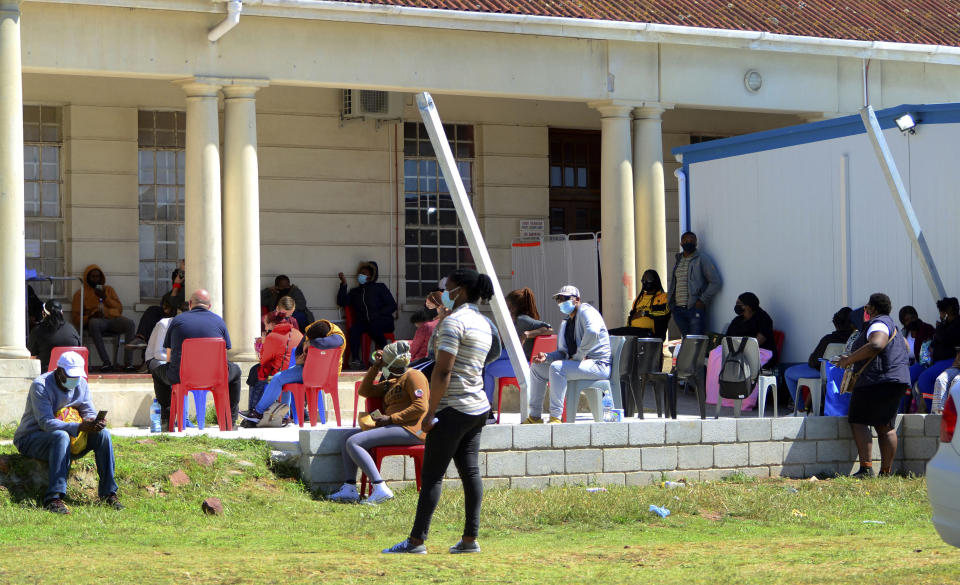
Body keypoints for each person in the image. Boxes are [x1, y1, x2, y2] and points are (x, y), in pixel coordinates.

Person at [383, 269, 494, 555]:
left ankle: (416, 541)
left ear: (461, 291)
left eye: (449, 288)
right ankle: (470, 539)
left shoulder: (453, 323)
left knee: (432, 476)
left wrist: (430, 414)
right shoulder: (482, 322)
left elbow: (442, 370)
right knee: (470, 472)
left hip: (451, 407)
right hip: (477, 406)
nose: (444, 291)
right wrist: (444, 313)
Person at [13, 351, 121, 514]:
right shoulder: (41, 385)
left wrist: (93, 422)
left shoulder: (81, 384)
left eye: (77, 376)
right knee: (60, 435)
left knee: (103, 435)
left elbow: (88, 411)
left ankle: (109, 493)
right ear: (59, 371)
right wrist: (78, 427)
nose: (74, 380)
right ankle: (53, 498)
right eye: (71, 376)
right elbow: (46, 423)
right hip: (32, 438)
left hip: (69, 440)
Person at [329, 341, 429, 505]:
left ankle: (380, 487)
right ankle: (350, 488)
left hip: (411, 429)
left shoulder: (413, 376)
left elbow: (420, 406)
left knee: (355, 442)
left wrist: (390, 419)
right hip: (395, 427)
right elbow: (364, 391)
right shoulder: (391, 381)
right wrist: (375, 367)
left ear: (391, 363)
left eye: (384, 362)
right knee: (346, 437)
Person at [834, 293, 911, 477]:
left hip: (876, 380)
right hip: (896, 380)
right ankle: (885, 472)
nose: (865, 310)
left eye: (868, 306)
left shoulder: (877, 324)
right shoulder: (894, 327)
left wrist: (849, 359)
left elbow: (876, 344)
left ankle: (866, 468)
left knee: (859, 421)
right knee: (886, 426)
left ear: (874, 309)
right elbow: (907, 350)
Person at [151, 289, 243, 427]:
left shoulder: (177, 321)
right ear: (209, 306)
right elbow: (223, 355)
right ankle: (230, 419)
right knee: (236, 371)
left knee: (158, 372)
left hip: (181, 376)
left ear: (190, 304)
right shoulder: (219, 321)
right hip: (215, 376)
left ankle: (166, 418)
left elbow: (169, 356)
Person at [524, 285, 610, 424]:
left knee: (557, 368)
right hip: (579, 364)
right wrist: (547, 357)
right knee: (537, 368)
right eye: (558, 299)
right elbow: (563, 353)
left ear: (577, 299)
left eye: (564, 298)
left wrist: (579, 355)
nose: (561, 302)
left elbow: (593, 332)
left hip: (598, 365)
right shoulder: (567, 322)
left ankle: (555, 417)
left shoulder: (586, 311)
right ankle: (534, 417)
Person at [239, 319, 345, 427]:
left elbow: (324, 342)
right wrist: (299, 358)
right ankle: (284, 417)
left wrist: (310, 343)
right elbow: (298, 350)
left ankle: (258, 413)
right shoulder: (311, 330)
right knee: (282, 379)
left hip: (323, 374)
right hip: (308, 369)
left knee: (278, 378)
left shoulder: (337, 335)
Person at [481, 288, 553, 406]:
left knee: (488, 369)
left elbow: (548, 329)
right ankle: (485, 406)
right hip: (516, 358)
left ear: (513, 307)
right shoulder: (513, 321)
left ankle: (487, 408)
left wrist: (528, 334)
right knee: (487, 361)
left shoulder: (522, 320)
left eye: (507, 304)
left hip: (525, 364)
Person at [783, 307, 857, 412]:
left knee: (788, 373)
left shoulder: (828, 339)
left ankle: (800, 409)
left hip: (826, 373)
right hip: (850, 374)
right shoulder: (858, 339)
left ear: (836, 324)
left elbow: (813, 362)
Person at [72, 264, 137, 372]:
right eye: (92, 277)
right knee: (94, 323)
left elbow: (119, 309)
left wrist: (105, 297)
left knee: (129, 323)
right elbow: (76, 318)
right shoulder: (80, 294)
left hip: (112, 319)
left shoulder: (109, 290)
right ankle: (106, 363)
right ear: (87, 278)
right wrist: (90, 316)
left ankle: (128, 363)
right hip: (95, 322)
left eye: (98, 276)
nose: (95, 279)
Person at [337, 261, 397, 369]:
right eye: (360, 273)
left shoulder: (380, 288)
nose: (361, 275)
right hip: (364, 322)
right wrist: (343, 284)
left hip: (382, 321)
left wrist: (378, 314)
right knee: (354, 330)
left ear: (370, 276)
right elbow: (342, 302)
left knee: (374, 327)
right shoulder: (355, 292)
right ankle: (356, 360)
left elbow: (392, 305)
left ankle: (385, 359)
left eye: (364, 273)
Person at [246, 311, 303, 414]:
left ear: (272, 324)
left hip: (282, 372)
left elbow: (263, 360)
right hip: (298, 371)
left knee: (255, 372)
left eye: (266, 324)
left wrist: (264, 343)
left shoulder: (273, 337)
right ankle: (286, 414)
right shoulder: (298, 333)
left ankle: (254, 411)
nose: (266, 328)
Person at [909, 297, 960, 410]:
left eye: (941, 312)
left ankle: (933, 410)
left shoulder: (957, 324)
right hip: (934, 361)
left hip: (951, 360)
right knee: (909, 374)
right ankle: (901, 410)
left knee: (925, 378)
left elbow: (946, 339)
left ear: (948, 311)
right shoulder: (945, 325)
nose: (940, 315)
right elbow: (936, 340)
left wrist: (940, 327)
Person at [667, 231, 722, 336]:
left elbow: (716, 282)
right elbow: (675, 283)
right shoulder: (678, 260)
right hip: (678, 310)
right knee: (687, 341)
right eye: (686, 240)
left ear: (696, 243)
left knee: (696, 341)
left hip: (694, 309)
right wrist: (672, 305)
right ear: (681, 243)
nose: (689, 242)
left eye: (692, 241)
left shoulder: (702, 259)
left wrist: (702, 300)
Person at [127, 261, 186, 350]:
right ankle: (140, 338)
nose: (179, 276)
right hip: (170, 316)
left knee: (158, 326)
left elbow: (177, 304)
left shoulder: (189, 287)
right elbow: (165, 301)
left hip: (181, 319)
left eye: (182, 273)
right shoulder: (179, 287)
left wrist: (176, 286)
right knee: (153, 311)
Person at [609, 269, 670, 339]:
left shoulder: (664, 297)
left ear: (656, 280)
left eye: (649, 279)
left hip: (651, 334)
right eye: (643, 280)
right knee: (608, 333)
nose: (645, 282)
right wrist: (629, 326)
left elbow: (663, 313)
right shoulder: (639, 298)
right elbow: (632, 315)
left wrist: (643, 313)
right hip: (634, 330)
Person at [27, 299, 81, 371]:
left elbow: (31, 357)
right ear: (62, 313)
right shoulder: (72, 330)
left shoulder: (37, 331)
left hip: (47, 376)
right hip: (72, 373)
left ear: (44, 314)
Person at [725, 292, 778, 362]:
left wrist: (737, 350)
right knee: (717, 354)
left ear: (749, 306)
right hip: (738, 351)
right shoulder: (737, 320)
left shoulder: (764, 319)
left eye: (739, 304)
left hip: (759, 353)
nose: (736, 306)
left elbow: (756, 343)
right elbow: (727, 338)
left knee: (735, 360)